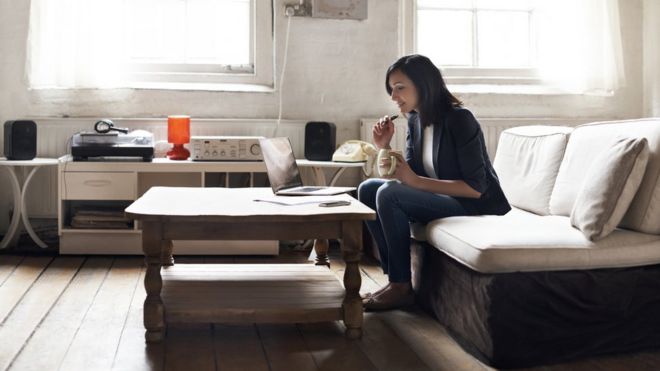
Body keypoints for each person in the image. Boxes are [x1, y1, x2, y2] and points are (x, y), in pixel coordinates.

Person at [358, 54, 511, 311]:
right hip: (444, 199)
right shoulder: (416, 121)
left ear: (424, 84)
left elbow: (476, 188)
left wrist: (414, 181)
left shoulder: (460, 119)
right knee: (368, 189)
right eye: (391, 90)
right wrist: (383, 147)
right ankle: (394, 278)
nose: (393, 97)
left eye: (399, 88)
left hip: (476, 205)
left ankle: (401, 287)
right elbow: (404, 175)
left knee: (388, 194)